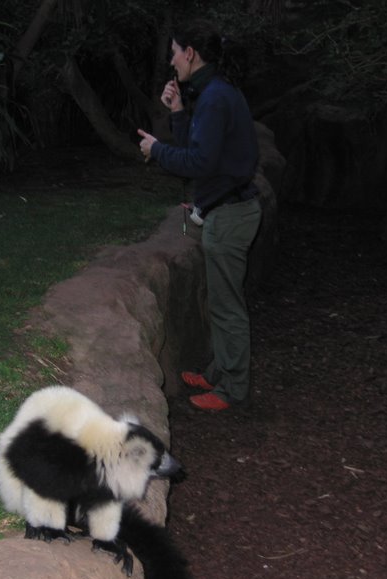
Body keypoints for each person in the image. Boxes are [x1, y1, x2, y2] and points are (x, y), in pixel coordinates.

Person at [137, 20, 261, 412]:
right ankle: (219, 372)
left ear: (190, 53)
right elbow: (203, 150)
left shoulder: (214, 97)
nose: (171, 61)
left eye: (174, 52)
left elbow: (198, 161)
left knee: (227, 306)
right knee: (221, 300)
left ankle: (233, 390)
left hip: (231, 215)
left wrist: (157, 150)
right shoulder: (214, 92)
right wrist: (176, 111)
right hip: (225, 209)